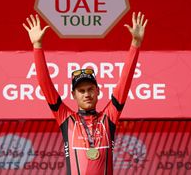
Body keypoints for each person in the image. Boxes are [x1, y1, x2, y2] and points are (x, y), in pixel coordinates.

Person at [23, 12, 148, 175]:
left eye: (90, 89)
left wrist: (135, 43)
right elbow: (45, 85)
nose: (86, 94)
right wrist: (37, 45)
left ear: (98, 91)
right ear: (73, 95)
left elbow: (125, 82)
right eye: (81, 91)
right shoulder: (66, 118)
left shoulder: (108, 117)